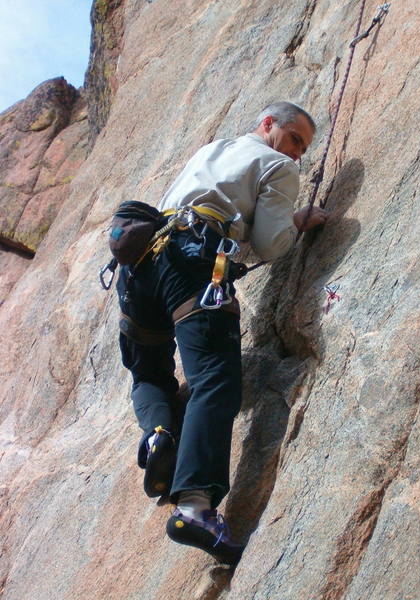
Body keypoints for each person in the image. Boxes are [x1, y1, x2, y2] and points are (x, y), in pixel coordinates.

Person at [116, 101, 327, 565]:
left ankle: (158, 434)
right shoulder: (274, 165)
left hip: (139, 266)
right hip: (194, 265)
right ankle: (194, 508)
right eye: (294, 139)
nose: (296, 155)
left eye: (302, 149)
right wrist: (298, 220)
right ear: (268, 124)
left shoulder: (214, 149)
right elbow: (271, 243)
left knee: (149, 375)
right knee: (214, 379)